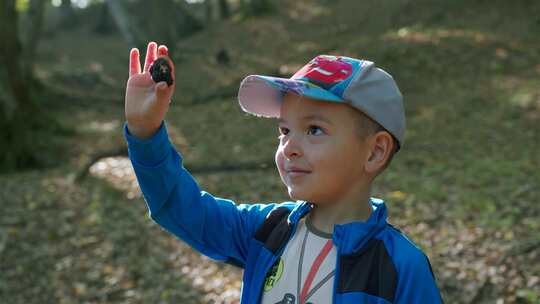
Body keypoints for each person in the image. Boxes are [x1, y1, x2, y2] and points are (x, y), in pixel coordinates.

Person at [123, 41, 443, 304]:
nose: (288, 146)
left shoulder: (400, 267)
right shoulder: (268, 230)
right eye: (284, 129)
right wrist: (145, 132)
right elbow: (180, 208)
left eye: (314, 129)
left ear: (374, 152)